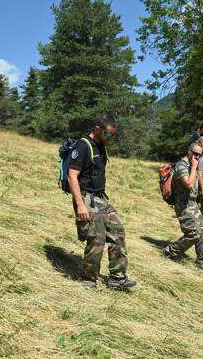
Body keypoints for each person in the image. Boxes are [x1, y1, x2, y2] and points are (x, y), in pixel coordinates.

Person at [67, 115, 136, 290]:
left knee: (117, 230)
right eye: (108, 134)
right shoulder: (83, 146)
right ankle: (88, 280)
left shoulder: (101, 146)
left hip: (101, 197)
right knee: (96, 238)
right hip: (86, 198)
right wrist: (80, 205)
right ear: (97, 129)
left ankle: (117, 277)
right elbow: (72, 176)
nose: (110, 138)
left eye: (113, 135)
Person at [162, 142, 203, 270]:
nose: (197, 157)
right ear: (188, 151)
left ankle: (202, 262)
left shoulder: (192, 164)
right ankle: (169, 251)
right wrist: (194, 167)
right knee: (193, 234)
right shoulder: (182, 166)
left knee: (202, 233)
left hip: (193, 203)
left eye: (199, 155)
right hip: (183, 205)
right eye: (194, 154)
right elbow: (188, 184)